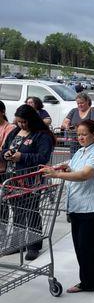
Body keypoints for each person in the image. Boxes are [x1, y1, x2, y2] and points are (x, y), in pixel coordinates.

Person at [41, 120, 94, 303]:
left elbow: (84, 175)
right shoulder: (80, 152)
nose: (80, 137)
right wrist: (66, 169)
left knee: (89, 247)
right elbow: (75, 171)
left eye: (84, 134)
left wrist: (57, 175)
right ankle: (87, 282)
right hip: (78, 206)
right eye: (78, 134)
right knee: (80, 247)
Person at [1, 104, 55, 261]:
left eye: (24, 122)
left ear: (31, 119)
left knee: (31, 210)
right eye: (19, 121)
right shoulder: (16, 131)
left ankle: (34, 245)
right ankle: (18, 243)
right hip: (12, 178)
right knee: (16, 211)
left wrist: (22, 157)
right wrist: (6, 155)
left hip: (31, 180)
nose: (21, 125)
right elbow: (4, 148)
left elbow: (43, 157)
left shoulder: (42, 135)